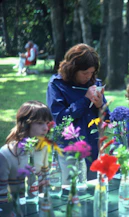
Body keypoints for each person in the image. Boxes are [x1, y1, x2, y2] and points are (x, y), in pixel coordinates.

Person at [46, 43, 110, 183]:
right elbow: (60, 119)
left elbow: (107, 120)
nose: (88, 76)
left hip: (94, 149)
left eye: (91, 72)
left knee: (94, 191)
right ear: (72, 69)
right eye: (84, 73)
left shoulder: (95, 83)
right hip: (69, 150)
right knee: (71, 193)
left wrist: (101, 106)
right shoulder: (56, 85)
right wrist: (85, 99)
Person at [0, 101, 52, 210]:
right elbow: (2, 196)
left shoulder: (42, 149)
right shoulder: (6, 154)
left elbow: (43, 185)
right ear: (25, 124)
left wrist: (44, 182)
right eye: (39, 123)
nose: (46, 128)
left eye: (47, 123)